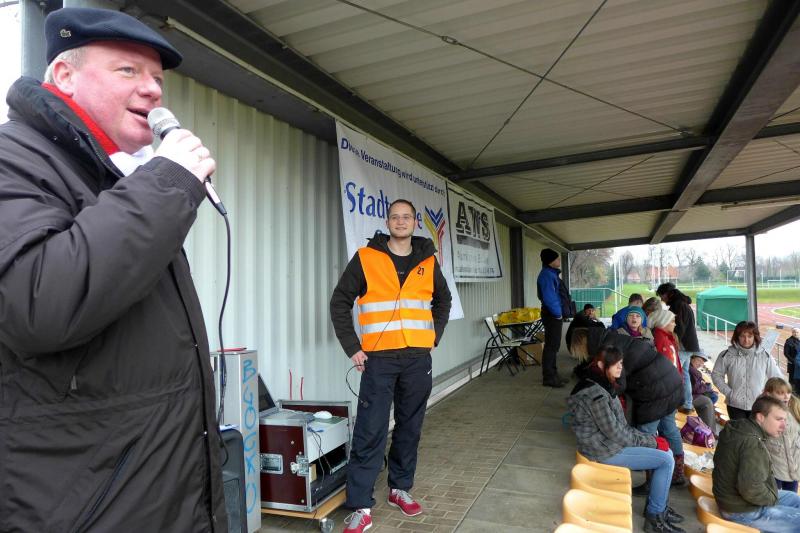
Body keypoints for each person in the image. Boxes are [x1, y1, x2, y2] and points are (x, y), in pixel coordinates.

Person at [0, 8, 227, 532]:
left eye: (158, 79)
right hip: (85, 507)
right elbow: (36, 302)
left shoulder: (118, 176)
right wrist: (166, 184)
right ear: (64, 75)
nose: (152, 90)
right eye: (128, 70)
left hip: (159, 494)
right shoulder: (14, 157)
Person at [330, 199, 452, 533]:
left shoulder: (428, 260)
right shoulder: (366, 258)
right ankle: (361, 506)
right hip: (379, 359)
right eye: (395, 217)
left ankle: (400, 488)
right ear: (387, 222)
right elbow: (340, 301)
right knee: (370, 430)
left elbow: (443, 300)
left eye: (406, 217)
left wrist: (435, 335)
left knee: (410, 427)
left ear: (415, 222)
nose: (400, 221)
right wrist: (352, 347)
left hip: (417, 359)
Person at [568, 346, 685, 532]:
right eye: (615, 364)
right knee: (666, 460)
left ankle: (658, 507)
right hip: (602, 450)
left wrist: (651, 440)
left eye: (621, 363)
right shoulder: (595, 394)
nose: (620, 367)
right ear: (601, 365)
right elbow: (617, 433)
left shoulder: (603, 384)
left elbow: (622, 429)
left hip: (608, 444)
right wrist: (652, 442)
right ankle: (654, 517)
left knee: (666, 452)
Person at [713, 396, 800, 532]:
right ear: (760, 417)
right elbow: (751, 489)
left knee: (794, 498)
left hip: (729, 499)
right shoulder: (753, 444)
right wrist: (773, 500)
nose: (783, 426)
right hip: (741, 511)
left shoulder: (740, 427)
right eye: (778, 419)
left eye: (785, 420)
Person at [712, 321, 783, 420]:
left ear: (755, 337)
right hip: (735, 405)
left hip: (759, 405)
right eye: (742, 336)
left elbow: (777, 379)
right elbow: (716, 375)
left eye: (750, 336)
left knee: (755, 430)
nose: (746, 340)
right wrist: (729, 393)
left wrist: (767, 394)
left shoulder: (765, 356)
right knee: (740, 430)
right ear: (737, 337)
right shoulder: (727, 355)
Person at [657, 284, 701, 414]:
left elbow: (679, 328)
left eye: (661, 296)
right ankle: (687, 404)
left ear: (667, 294)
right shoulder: (683, 303)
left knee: (674, 374)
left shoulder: (678, 305)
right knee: (685, 374)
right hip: (689, 345)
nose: (661, 299)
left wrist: (672, 342)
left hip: (682, 345)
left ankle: (674, 405)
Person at [537, 248, 574, 388]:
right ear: (550, 261)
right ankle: (549, 377)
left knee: (554, 346)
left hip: (553, 315)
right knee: (551, 347)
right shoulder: (547, 275)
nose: (559, 260)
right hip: (552, 315)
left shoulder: (550, 273)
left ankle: (553, 374)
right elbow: (549, 298)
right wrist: (558, 314)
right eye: (556, 258)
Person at [762, 378, 800, 493]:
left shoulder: (795, 407)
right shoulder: (763, 411)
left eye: (788, 392)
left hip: (794, 465)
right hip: (774, 466)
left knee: (792, 497)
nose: (786, 396)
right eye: (781, 393)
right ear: (768, 394)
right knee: (774, 496)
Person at [688, 354, 719, 436]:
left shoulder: (691, 368)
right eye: (698, 360)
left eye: (702, 362)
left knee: (711, 398)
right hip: (688, 397)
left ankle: (705, 426)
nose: (700, 364)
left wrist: (705, 386)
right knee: (707, 401)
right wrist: (706, 387)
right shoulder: (692, 370)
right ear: (692, 358)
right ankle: (710, 432)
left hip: (690, 394)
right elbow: (695, 389)